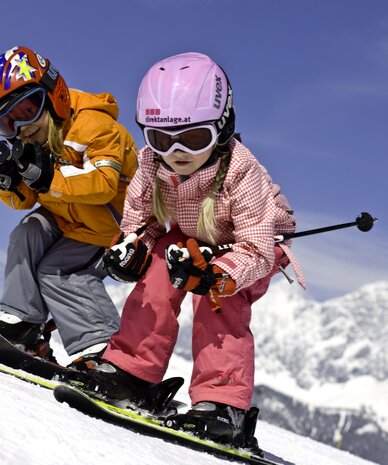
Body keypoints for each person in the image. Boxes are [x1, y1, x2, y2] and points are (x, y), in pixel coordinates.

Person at [72, 52, 305, 446]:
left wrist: (217, 273)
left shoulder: (242, 171)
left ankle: (223, 403)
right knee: (159, 269)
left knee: (218, 299)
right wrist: (134, 250)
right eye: (161, 138)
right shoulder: (152, 163)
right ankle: (131, 372)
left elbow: (258, 247)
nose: (176, 150)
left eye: (195, 137)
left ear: (222, 127)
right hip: (194, 238)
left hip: (253, 247)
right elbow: (141, 222)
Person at [0, 46, 138, 364]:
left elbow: (103, 183)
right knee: (27, 232)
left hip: (110, 227)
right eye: (8, 124)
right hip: (68, 221)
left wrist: (48, 178)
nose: (22, 127)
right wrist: (10, 182)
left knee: (59, 272)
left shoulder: (95, 127)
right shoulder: (30, 143)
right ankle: (20, 325)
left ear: (54, 95)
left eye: (27, 110)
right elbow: (27, 201)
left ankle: (103, 352)